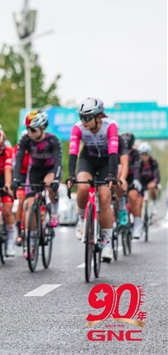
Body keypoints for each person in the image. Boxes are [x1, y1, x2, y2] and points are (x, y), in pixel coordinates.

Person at [66, 98, 117, 262]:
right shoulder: (78, 128)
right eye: (81, 117)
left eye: (87, 117)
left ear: (99, 116)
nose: (84, 121)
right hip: (88, 160)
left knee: (104, 198)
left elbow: (113, 153)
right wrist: (71, 175)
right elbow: (73, 153)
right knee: (82, 187)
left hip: (106, 162)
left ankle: (107, 243)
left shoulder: (110, 126)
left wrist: (111, 175)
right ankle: (82, 219)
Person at [11, 109, 62, 260]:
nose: (30, 133)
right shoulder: (26, 140)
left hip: (50, 169)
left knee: (49, 184)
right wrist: (16, 179)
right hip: (34, 171)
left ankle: (54, 211)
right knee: (29, 204)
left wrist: (56, 180)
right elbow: (19, 160)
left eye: (33, 130)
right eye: (28, 129)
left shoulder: (52, 140)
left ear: (43, 128)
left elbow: (58, 162)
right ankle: (31, 241)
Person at [121, 133, 144, 238]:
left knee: (133, 196)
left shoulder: (136, 153)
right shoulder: (117, 151)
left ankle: (137, 224)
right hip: (121, 177)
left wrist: (136, 180)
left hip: (132, 179)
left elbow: (137, 168)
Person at [137, 141, 161, 217]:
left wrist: (155, 182)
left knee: (152, 189)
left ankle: (154, 203)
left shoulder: (153, 162)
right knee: (139, 201)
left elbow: (157, 174)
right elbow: (136, 175)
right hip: (141, 183)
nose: (144, 156)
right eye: (142, 154)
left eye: (146, 154)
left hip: (151, 182)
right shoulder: (138, 163)